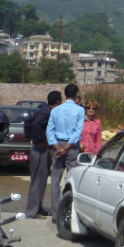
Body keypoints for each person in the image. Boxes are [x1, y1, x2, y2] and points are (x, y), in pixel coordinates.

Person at [46, 83, 85, 215]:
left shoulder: (55, 110)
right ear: (76, 95)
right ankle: (69, 211)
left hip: (57, 145)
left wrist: (58, 147)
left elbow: (49, 131)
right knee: (72, 180)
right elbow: (78, 131)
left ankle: (56, 213)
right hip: (72, 147)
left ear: (65, 94)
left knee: (55, 179)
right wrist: (67, 148)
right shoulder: (80, 110)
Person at [23, 90, 61, 219]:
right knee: (37, 181)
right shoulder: (48, 112)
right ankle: (31, 212)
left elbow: (28, 122)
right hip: (39, 150)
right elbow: (35, 124)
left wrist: (31, 137)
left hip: (41, 149)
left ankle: (38, 208)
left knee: (42, 181)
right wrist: (40, 140)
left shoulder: (44, 110)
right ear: (57, 102)